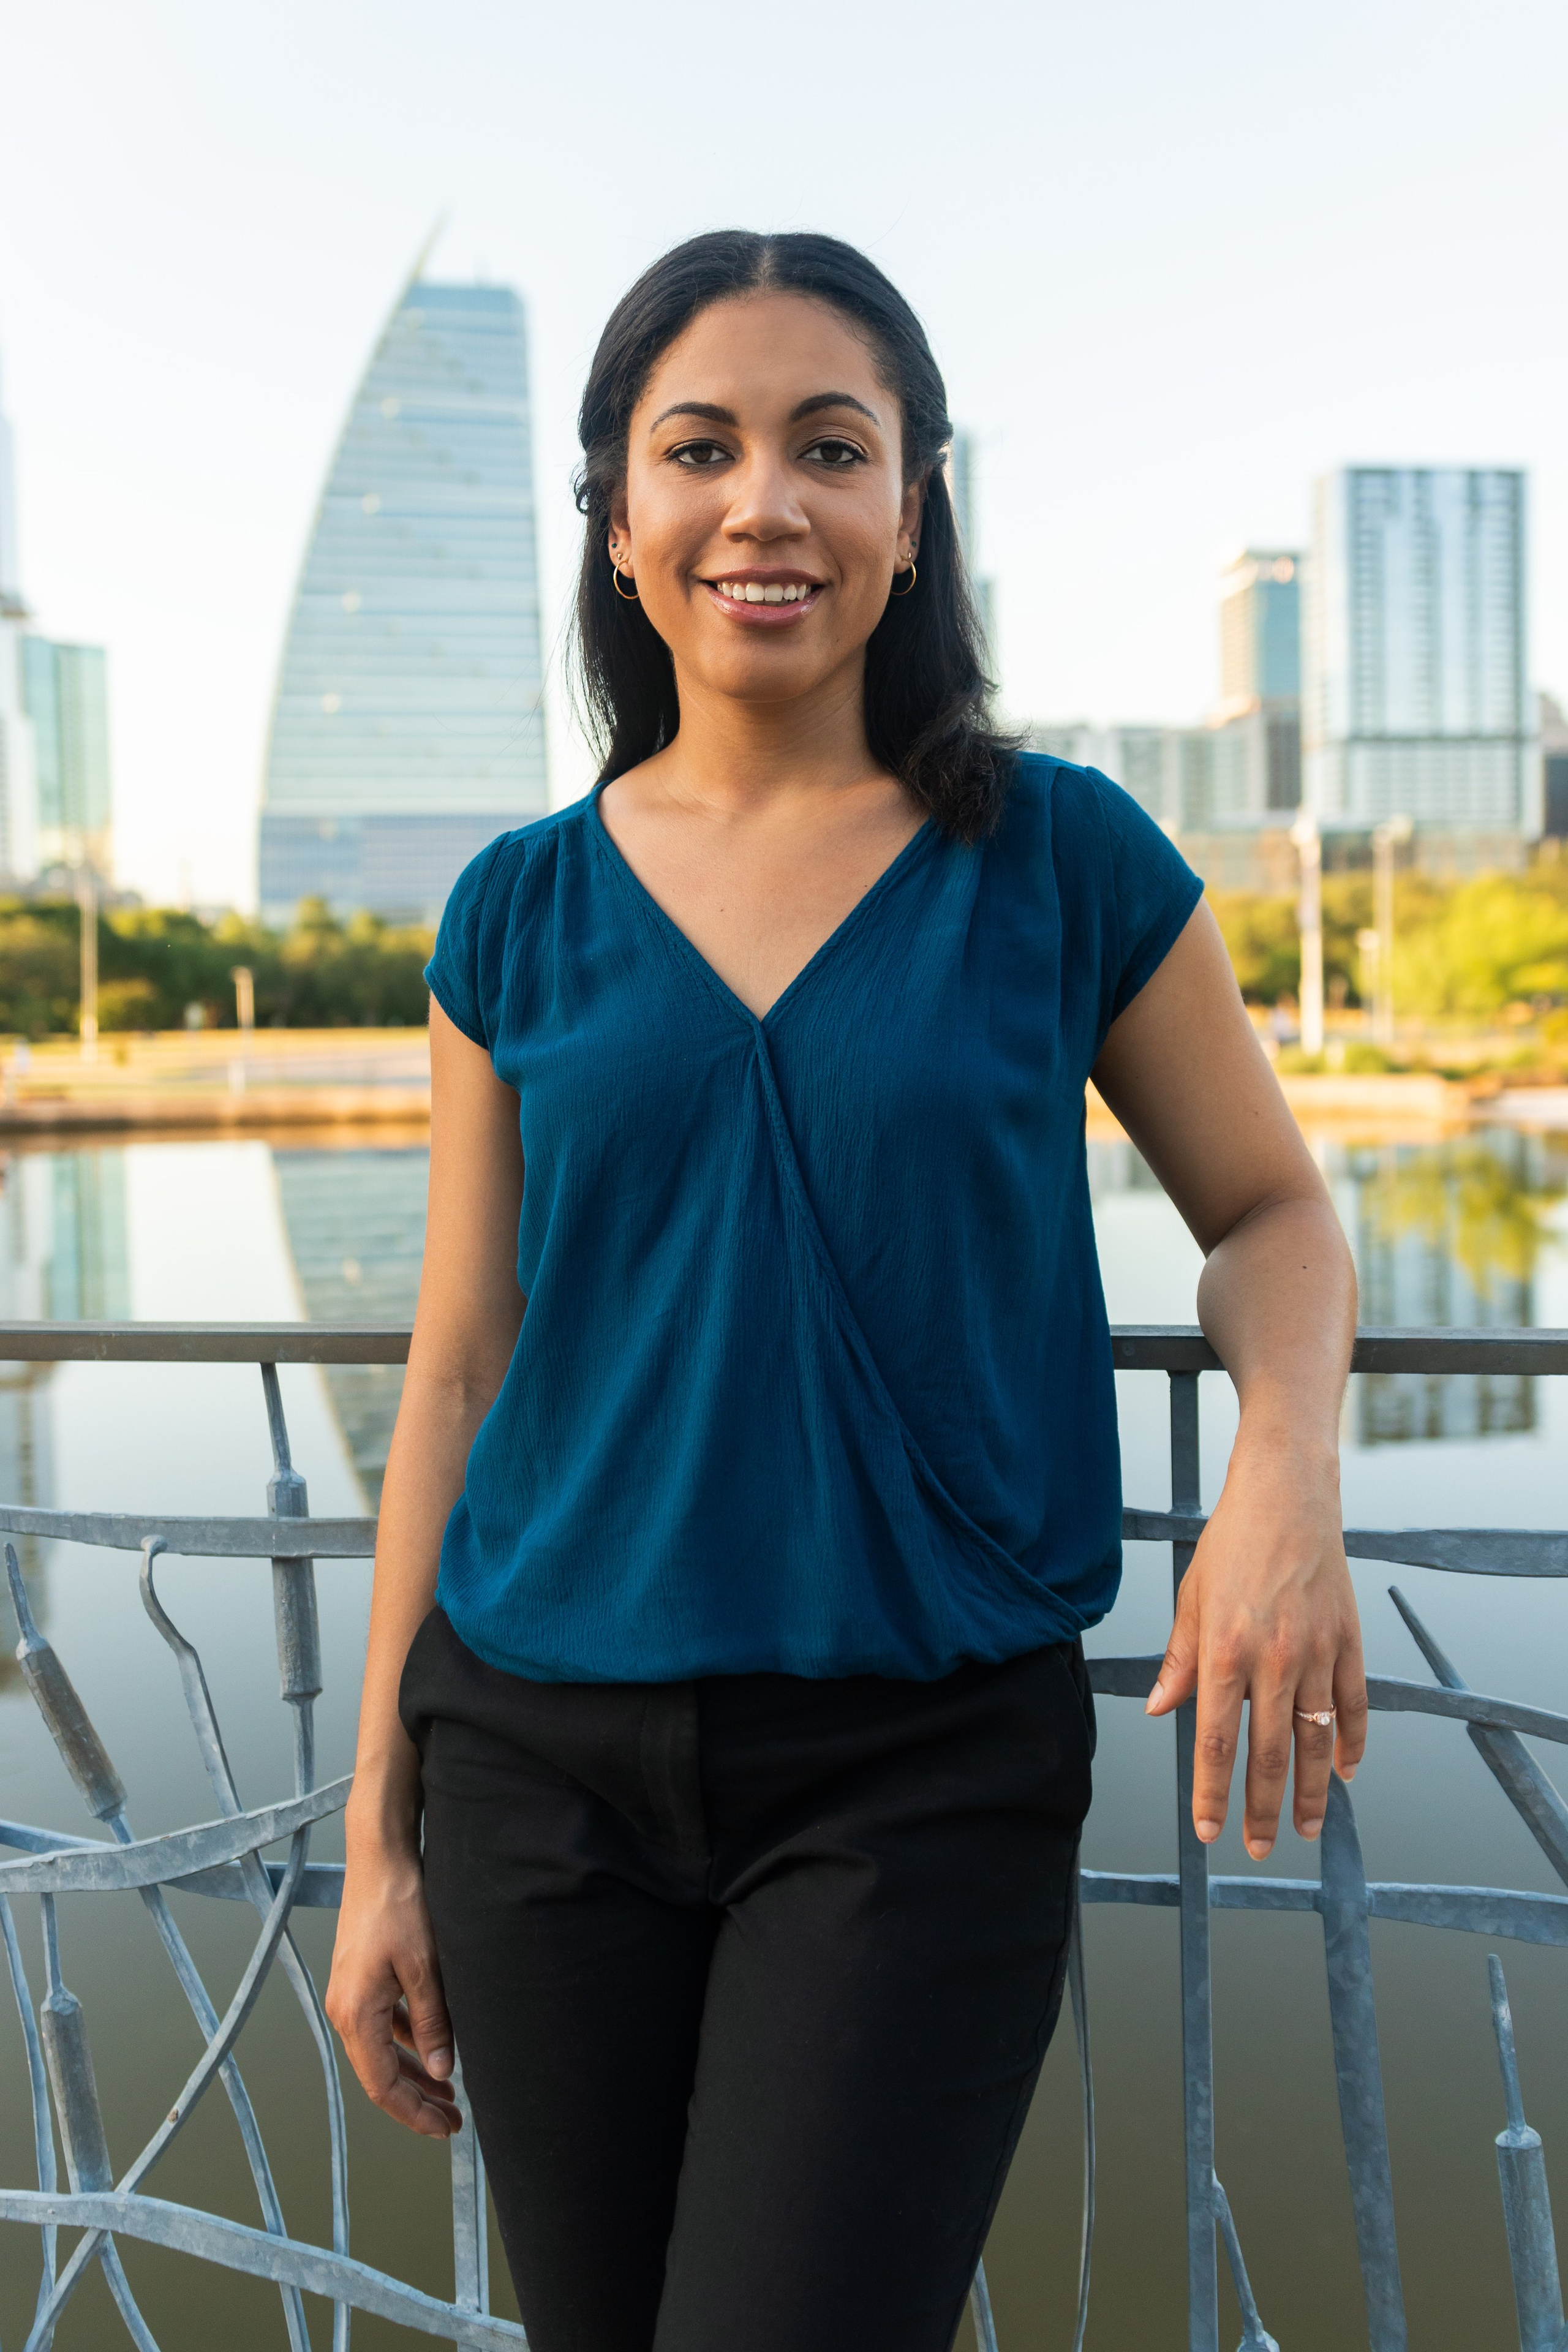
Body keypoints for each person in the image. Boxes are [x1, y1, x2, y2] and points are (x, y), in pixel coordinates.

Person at [325, 230, 1366, 2352]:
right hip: (532, 1772)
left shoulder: (1065, 858)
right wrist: (381, 1836)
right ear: (620, 524)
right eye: (696, 449)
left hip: (912, 1780)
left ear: (917, 508)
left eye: (833, 446)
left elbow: (1270, 1214)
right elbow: (457, 1371)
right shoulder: (512, 912)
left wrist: (1282, 1478)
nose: (764, 504)